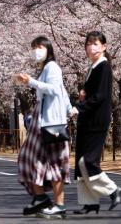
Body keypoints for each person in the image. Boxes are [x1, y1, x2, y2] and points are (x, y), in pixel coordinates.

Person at [15, 35, 75, 219]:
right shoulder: (46, 69)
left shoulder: (52, 67)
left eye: (40, 46)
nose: (36, 50)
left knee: (54, 164)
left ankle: (59, 205)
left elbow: (55, 89)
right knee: (31, 159)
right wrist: (69, 108)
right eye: (34, 47)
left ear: (48, 48)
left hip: (51, 124)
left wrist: (30, 82)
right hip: (42, 123)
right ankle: (40, 197)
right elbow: (63, 91)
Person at [72, 31, 121, 215]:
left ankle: (113, 190)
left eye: (95, 44)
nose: (91, 47)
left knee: (88, 161)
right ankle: (90, 202)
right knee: (80, 162)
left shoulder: (104, 67)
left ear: (104, 46)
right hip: (87, 120)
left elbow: (101, 95)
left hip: (96, 121)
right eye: (88, 44)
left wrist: (80, 107)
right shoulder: (93, 67)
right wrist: (83, 95)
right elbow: (93, 92)